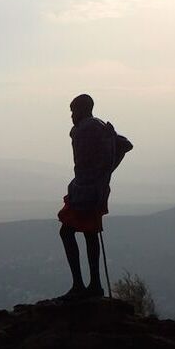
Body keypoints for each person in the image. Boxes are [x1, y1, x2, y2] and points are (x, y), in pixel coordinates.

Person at [57, 94, 117, 299]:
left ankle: (80, 285)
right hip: (92, 189)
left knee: (67, 232)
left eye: (73, 111)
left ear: (83, 110)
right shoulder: (100, 127)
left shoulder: (86, 129)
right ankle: (94, 285)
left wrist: (99, 174)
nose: (72, 116)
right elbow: (124, 144)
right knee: (89, 233)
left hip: (86, 190)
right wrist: (105, 175)